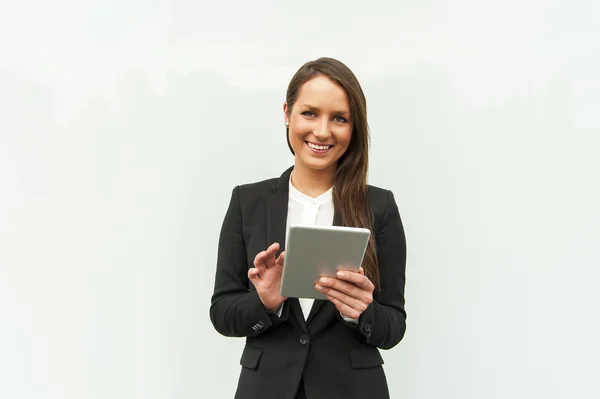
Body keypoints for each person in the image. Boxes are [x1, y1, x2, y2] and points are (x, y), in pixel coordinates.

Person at [209, 57, 407, 399]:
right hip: (267, 388)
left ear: (354, 127)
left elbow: (393, 326)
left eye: (340, 118)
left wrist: (360, 312)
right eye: (310, 113)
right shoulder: (247, 201)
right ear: (287, 113)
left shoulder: (380, 207)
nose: (322, 131)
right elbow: (223, 312)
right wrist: (265, 302)